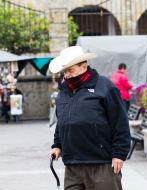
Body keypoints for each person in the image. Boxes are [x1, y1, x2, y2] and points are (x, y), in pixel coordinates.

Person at [48, 46, 131, 190]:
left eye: (70, 70)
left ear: (83, 67)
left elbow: (120, 122)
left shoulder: (105, 86)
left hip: (102, 164)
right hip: (72, 166)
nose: (67, 75)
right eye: (65, 71)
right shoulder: (64, 90)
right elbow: (61, 121)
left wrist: (119, 154)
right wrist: (57, 145)